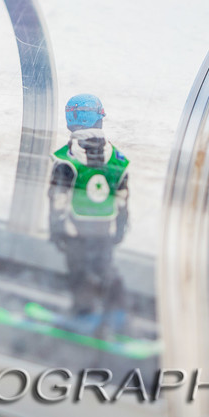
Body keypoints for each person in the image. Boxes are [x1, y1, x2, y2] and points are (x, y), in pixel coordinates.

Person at [46, 93, 130, 333]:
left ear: (70, 121)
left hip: (75, 229)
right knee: (106, 268)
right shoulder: (117, 157)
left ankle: (85, 314)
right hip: (105, 228)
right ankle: (118, 315)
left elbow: (58, 198)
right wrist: (121, 226)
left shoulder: (65, 158)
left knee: (79, 271)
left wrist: (56, 228)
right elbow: (123, 196)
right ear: (99, 119)